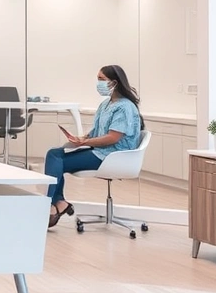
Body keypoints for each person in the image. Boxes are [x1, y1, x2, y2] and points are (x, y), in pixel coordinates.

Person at [46, 64, 144, 228]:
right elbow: (97, 131)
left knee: (57, 160)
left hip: (112, 156)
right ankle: (58, 202)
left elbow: (113, 138)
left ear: (114, 82)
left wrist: (84, 143)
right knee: (53, 154)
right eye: (97, 79)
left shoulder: (125, 107)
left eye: (101, 79)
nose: (98, 83)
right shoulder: (106, 104)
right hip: (100, 151)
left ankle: (51, 206)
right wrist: (81, 138)